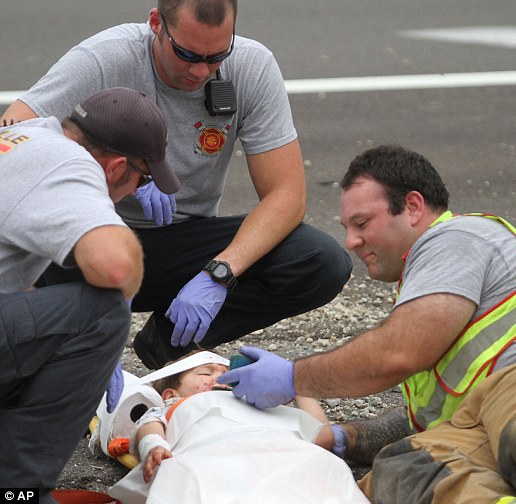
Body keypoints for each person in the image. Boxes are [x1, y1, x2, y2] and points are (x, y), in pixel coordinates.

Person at [217, 145, 516, 503]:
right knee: (403, 471)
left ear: (413, 207)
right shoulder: (425, 297)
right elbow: (422, 421)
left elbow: (399, 353)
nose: (351, 242)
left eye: (362, 224)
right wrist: (342, 437)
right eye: (347, 229)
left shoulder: (457, 236)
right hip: (487, 418)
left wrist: (294, 377)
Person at [1, 0, 352, 371]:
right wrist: (127, 179)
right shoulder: (106, 57)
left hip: (180, 242)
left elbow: (287, 195)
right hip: (92, 236)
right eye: (186, 54)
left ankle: (171, 343)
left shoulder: (251, 67)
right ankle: (57, 355)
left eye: (217, 56)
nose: (200, 70)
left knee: (319, 260)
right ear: (156, 23)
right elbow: (11, 138)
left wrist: (220, 272)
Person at [0, 87, 180, 504]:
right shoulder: (71, 163)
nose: (136, 192)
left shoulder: (23, 139)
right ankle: (18, 491)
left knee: (43, 311)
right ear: (117, 167)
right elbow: (115, 265)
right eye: (142, 179)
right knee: (101, 314)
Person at [108, 351, 370, 504]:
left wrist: (297, 383)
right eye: (205, 373)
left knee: (324, 467)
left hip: (285, 454)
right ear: (170, 394)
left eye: (226, 372)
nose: (221, 377)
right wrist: (153, 444)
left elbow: (320, 434)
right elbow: (148, 425)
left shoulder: (264, 407)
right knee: (191, 481)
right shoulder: (171, 407)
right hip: (209, 457)